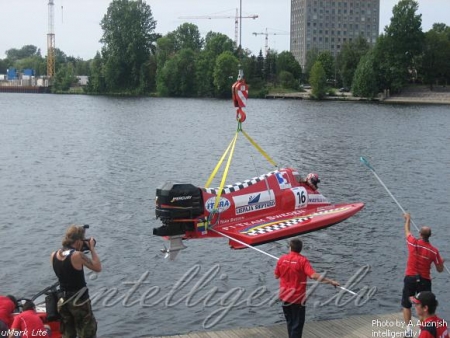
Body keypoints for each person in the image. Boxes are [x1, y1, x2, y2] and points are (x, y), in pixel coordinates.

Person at [274, 238, 340, 338]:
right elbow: (313, 276)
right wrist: (330, 281)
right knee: (297, 325)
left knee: (290, 323)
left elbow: (276, 276)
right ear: (300, 249)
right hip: (297, 298)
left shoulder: (282, 259)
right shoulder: (302, 260)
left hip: (284, 297)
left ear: (290, 248)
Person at [51, 225, 101, 338]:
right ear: (78, 241)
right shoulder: (77, 255)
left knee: (68, 334)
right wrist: (92, 248)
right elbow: (97, 267)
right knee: (87, 332)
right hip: (79, 300)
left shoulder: (53, 255)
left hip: (63, 300)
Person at [402, 213, 444, 338]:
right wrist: (441, 263)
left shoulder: (413, 243)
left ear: (420, 234)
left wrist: (408, 219)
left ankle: (408, 330)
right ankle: (423, 330)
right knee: (424, 306)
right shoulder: (434, 251)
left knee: (406, 304)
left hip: (410, 277)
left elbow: (407, 231)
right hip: (425, 280)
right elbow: (440, 269)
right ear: (429, 236)